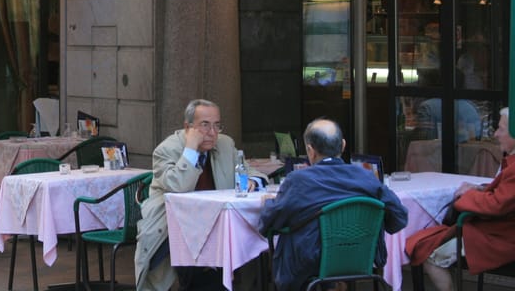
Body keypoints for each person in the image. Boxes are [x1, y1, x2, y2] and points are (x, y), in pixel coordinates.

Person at [259, 118, 408, 291]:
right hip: (358, 259)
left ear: (310, 150)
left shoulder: (299, 181)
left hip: (309, 263)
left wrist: (268, 204)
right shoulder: (366, 176)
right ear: (343, 145)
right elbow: (399, 217)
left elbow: (269, 224)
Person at [135, 99, 265, 291]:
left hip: (216, 225)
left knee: (253, 238)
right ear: (188, 127)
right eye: (205, 125)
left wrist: (253, 182)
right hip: (172, 227)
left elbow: (252, 172)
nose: (212, 133)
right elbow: (178, 186)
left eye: (217, 125)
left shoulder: (225, 144)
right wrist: (190, 150)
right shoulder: (166, 150)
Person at [406, 107, 515, 291]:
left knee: (430, 255)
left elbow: (497, 204)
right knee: (424, 243)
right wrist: (479, 189)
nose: (496, 134)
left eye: (501, 129)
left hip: (500, 237)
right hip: (496, 231)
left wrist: (468, 195)